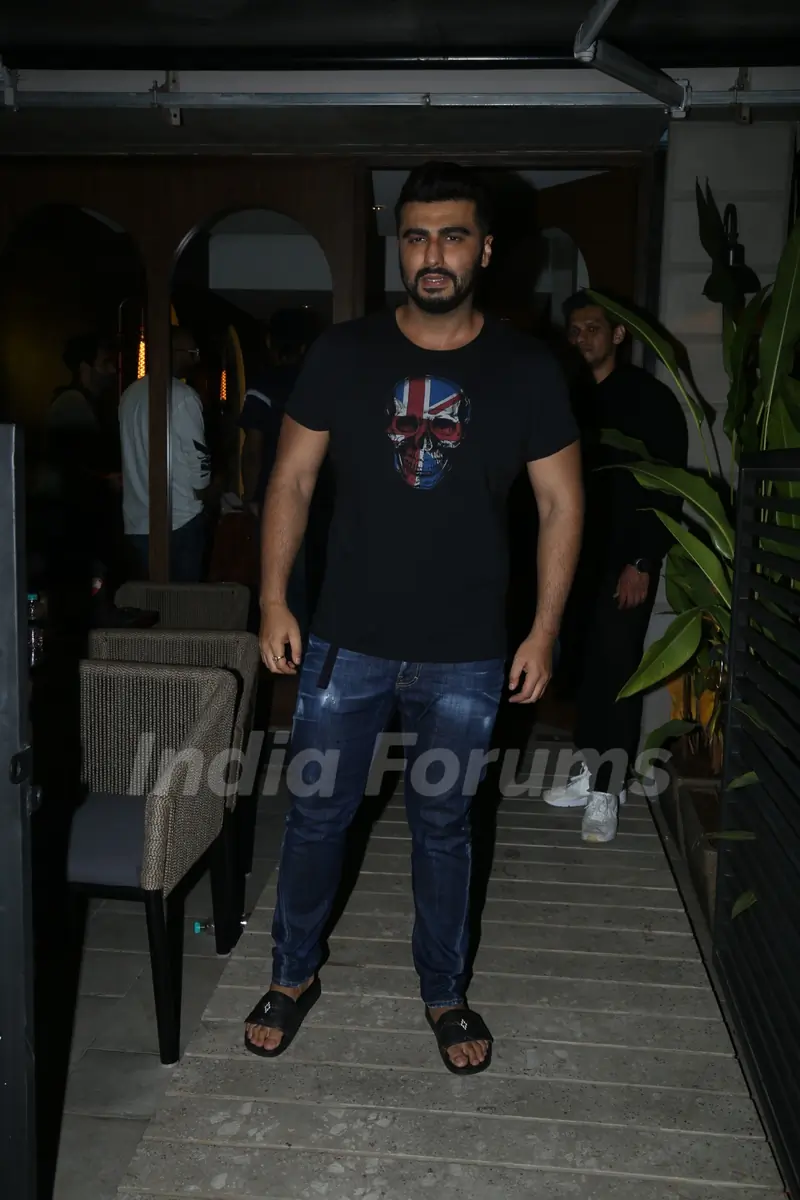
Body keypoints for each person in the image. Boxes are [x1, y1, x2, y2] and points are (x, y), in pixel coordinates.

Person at [244, 161, 584, 1075]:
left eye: (453, 236)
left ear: (486, 249)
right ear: (401, 246)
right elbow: (291, 480)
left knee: (445, 825)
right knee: (316, 817)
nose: (433, 255)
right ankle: (291, 973)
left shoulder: (525, 367)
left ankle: (444, 989)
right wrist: (273, 599)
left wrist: (543, 629)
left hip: (467, 650)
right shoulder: (344, 353)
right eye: (417, 236)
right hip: (344, 639)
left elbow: (561, 502)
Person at [544, 291, 688, 843]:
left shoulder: (649, 400)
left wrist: (642, 561)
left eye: (593, 328)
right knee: (585, 669)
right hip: (573, 560)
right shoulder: (568, 395)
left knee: (618, 669)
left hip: (625, 560)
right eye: (575, 329)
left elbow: (667, 487)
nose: (582, 338)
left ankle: (609, 788)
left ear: (618, 335)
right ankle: (590, 770)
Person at [240, 308, 322, 636]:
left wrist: (250, 495)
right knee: (313, 575)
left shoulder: (263, 385)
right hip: (320, 492)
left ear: (270, 342)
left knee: (284, 576)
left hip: (276, 491)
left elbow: (253, 448)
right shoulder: (315, 381)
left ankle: (289, 646)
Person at [119, 326, 211, 582]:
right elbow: (198, 457)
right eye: (192, 353)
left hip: (137, 519)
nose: (196, 361)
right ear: (175, 353)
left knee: (150, 599)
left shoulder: (129, 395)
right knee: (184, 599)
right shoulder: (182, 396)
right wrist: (203, 491)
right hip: (180, 517)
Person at [41, 332, 122, 590]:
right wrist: (105, 480)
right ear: (85, 367)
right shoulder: (73, 403)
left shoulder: (88, 403)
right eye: (105, 363)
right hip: (77, 523)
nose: (112, 371)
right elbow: (68, 465)